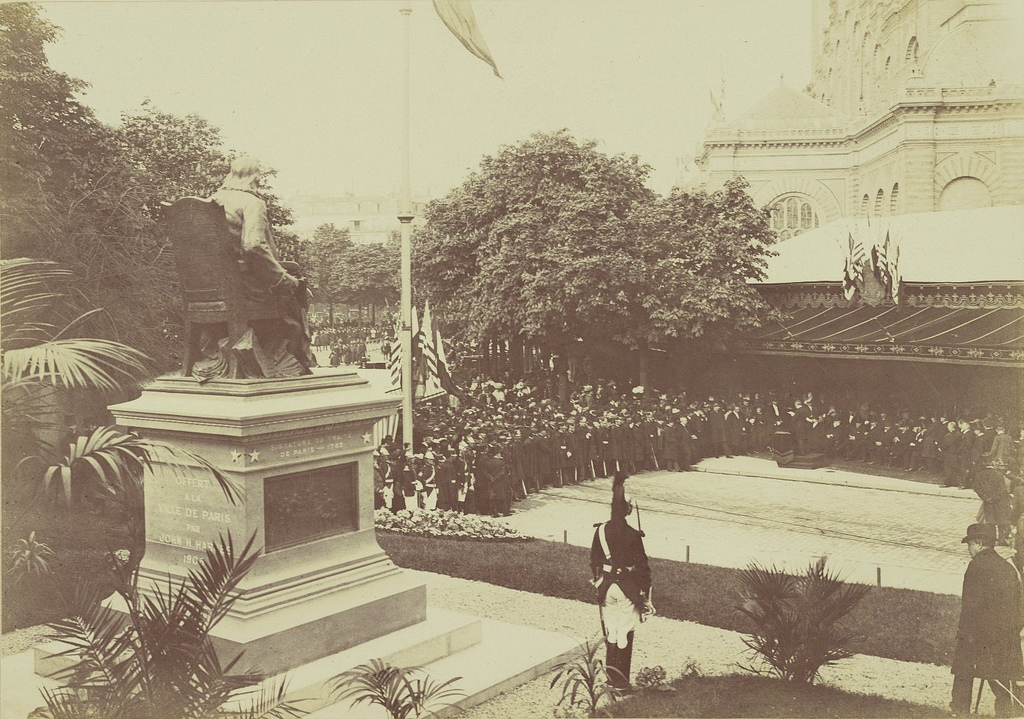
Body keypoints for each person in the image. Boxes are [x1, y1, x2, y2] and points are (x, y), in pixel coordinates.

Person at [208, 155, 314, 375]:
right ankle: (293, 363)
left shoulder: (213, 200)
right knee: (297, 294)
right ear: (255, 178)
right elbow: (253, 247)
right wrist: (284, 279)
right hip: (245, 291)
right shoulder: (252, 202)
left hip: (212, 290)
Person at [951, 523, 1024, 717]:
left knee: (963, 667)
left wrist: (966, 633)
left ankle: (959, 709)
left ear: (979, 543)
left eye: (970, 545)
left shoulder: (976, 566)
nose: (969, 549)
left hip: (979, 635)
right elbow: (1019, 605)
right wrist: (1013, 630)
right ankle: (1009, 711)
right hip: (1006, 635)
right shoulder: (1007, 567)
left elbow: (970, 606)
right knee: (1002, 676)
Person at [590, 472, 652, 693]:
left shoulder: (600, 530)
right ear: (627, 511)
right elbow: (643, 566)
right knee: (625, 634)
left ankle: (610, 678)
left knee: (613, 632)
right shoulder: (633, 535)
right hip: (626, 589)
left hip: (606, 588)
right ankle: (622, 683)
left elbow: (594, 561)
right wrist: (644, 594)